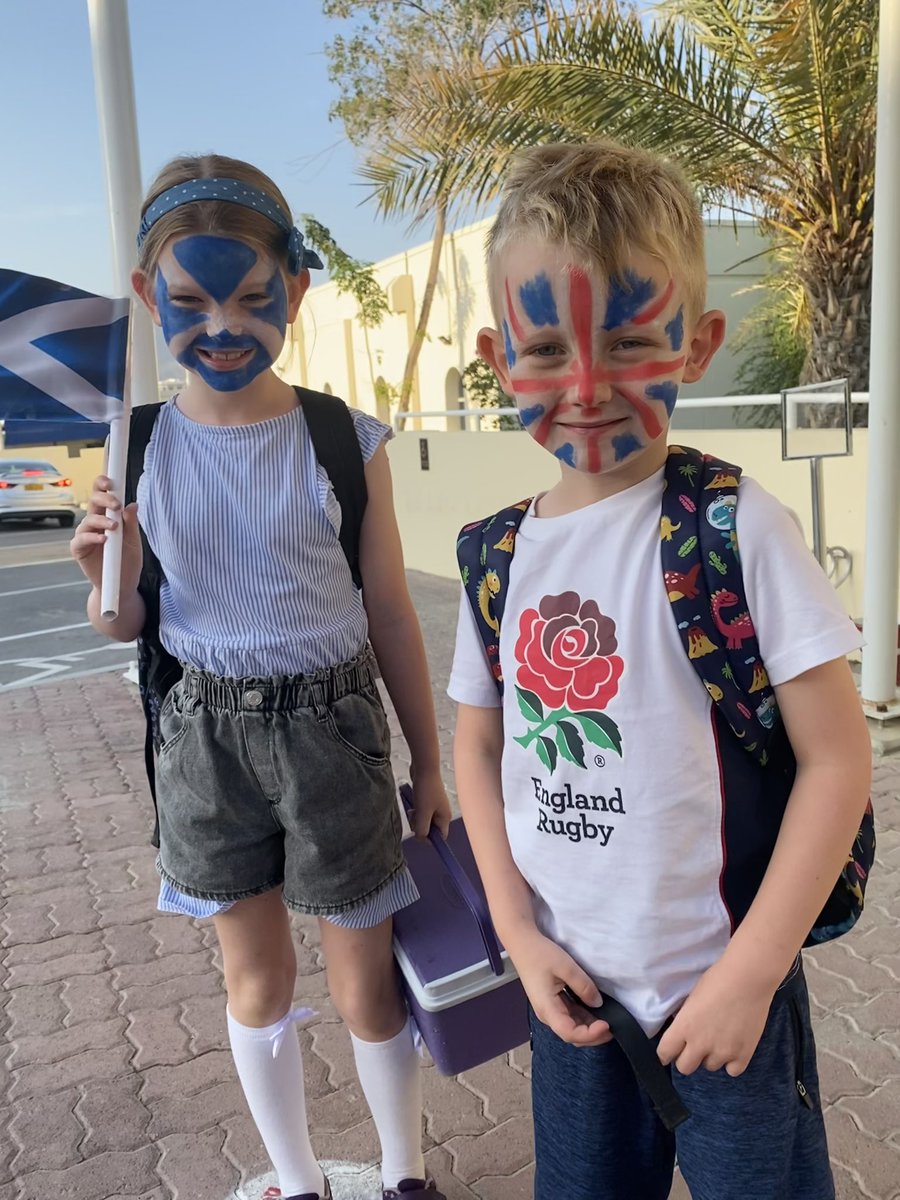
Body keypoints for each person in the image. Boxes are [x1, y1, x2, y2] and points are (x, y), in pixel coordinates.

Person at [448, 140, 872, 1200]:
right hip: (574, 999)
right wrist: (516, 936)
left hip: (722, 994)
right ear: (501, 358)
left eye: (629, 338)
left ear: (697, 342)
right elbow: (479, 742)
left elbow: (837, 761)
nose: (583, 385)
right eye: (546, 349)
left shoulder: (734, 527)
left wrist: (752, 975)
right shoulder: (495, 554)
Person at [70, 153, 451, 1200]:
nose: (223, 325)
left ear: (296, 287)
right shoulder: (133, 444)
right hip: (206, 740)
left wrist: (431, 760)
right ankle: (297, 1180)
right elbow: (125, 627)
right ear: (149, 299)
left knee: (364, 979)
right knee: (256, 979)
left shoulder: (340, 438)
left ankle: (403, 1174)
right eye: (189, 302)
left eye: (252, 297)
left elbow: (387, 613)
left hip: (335, 732)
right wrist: (106, 573)